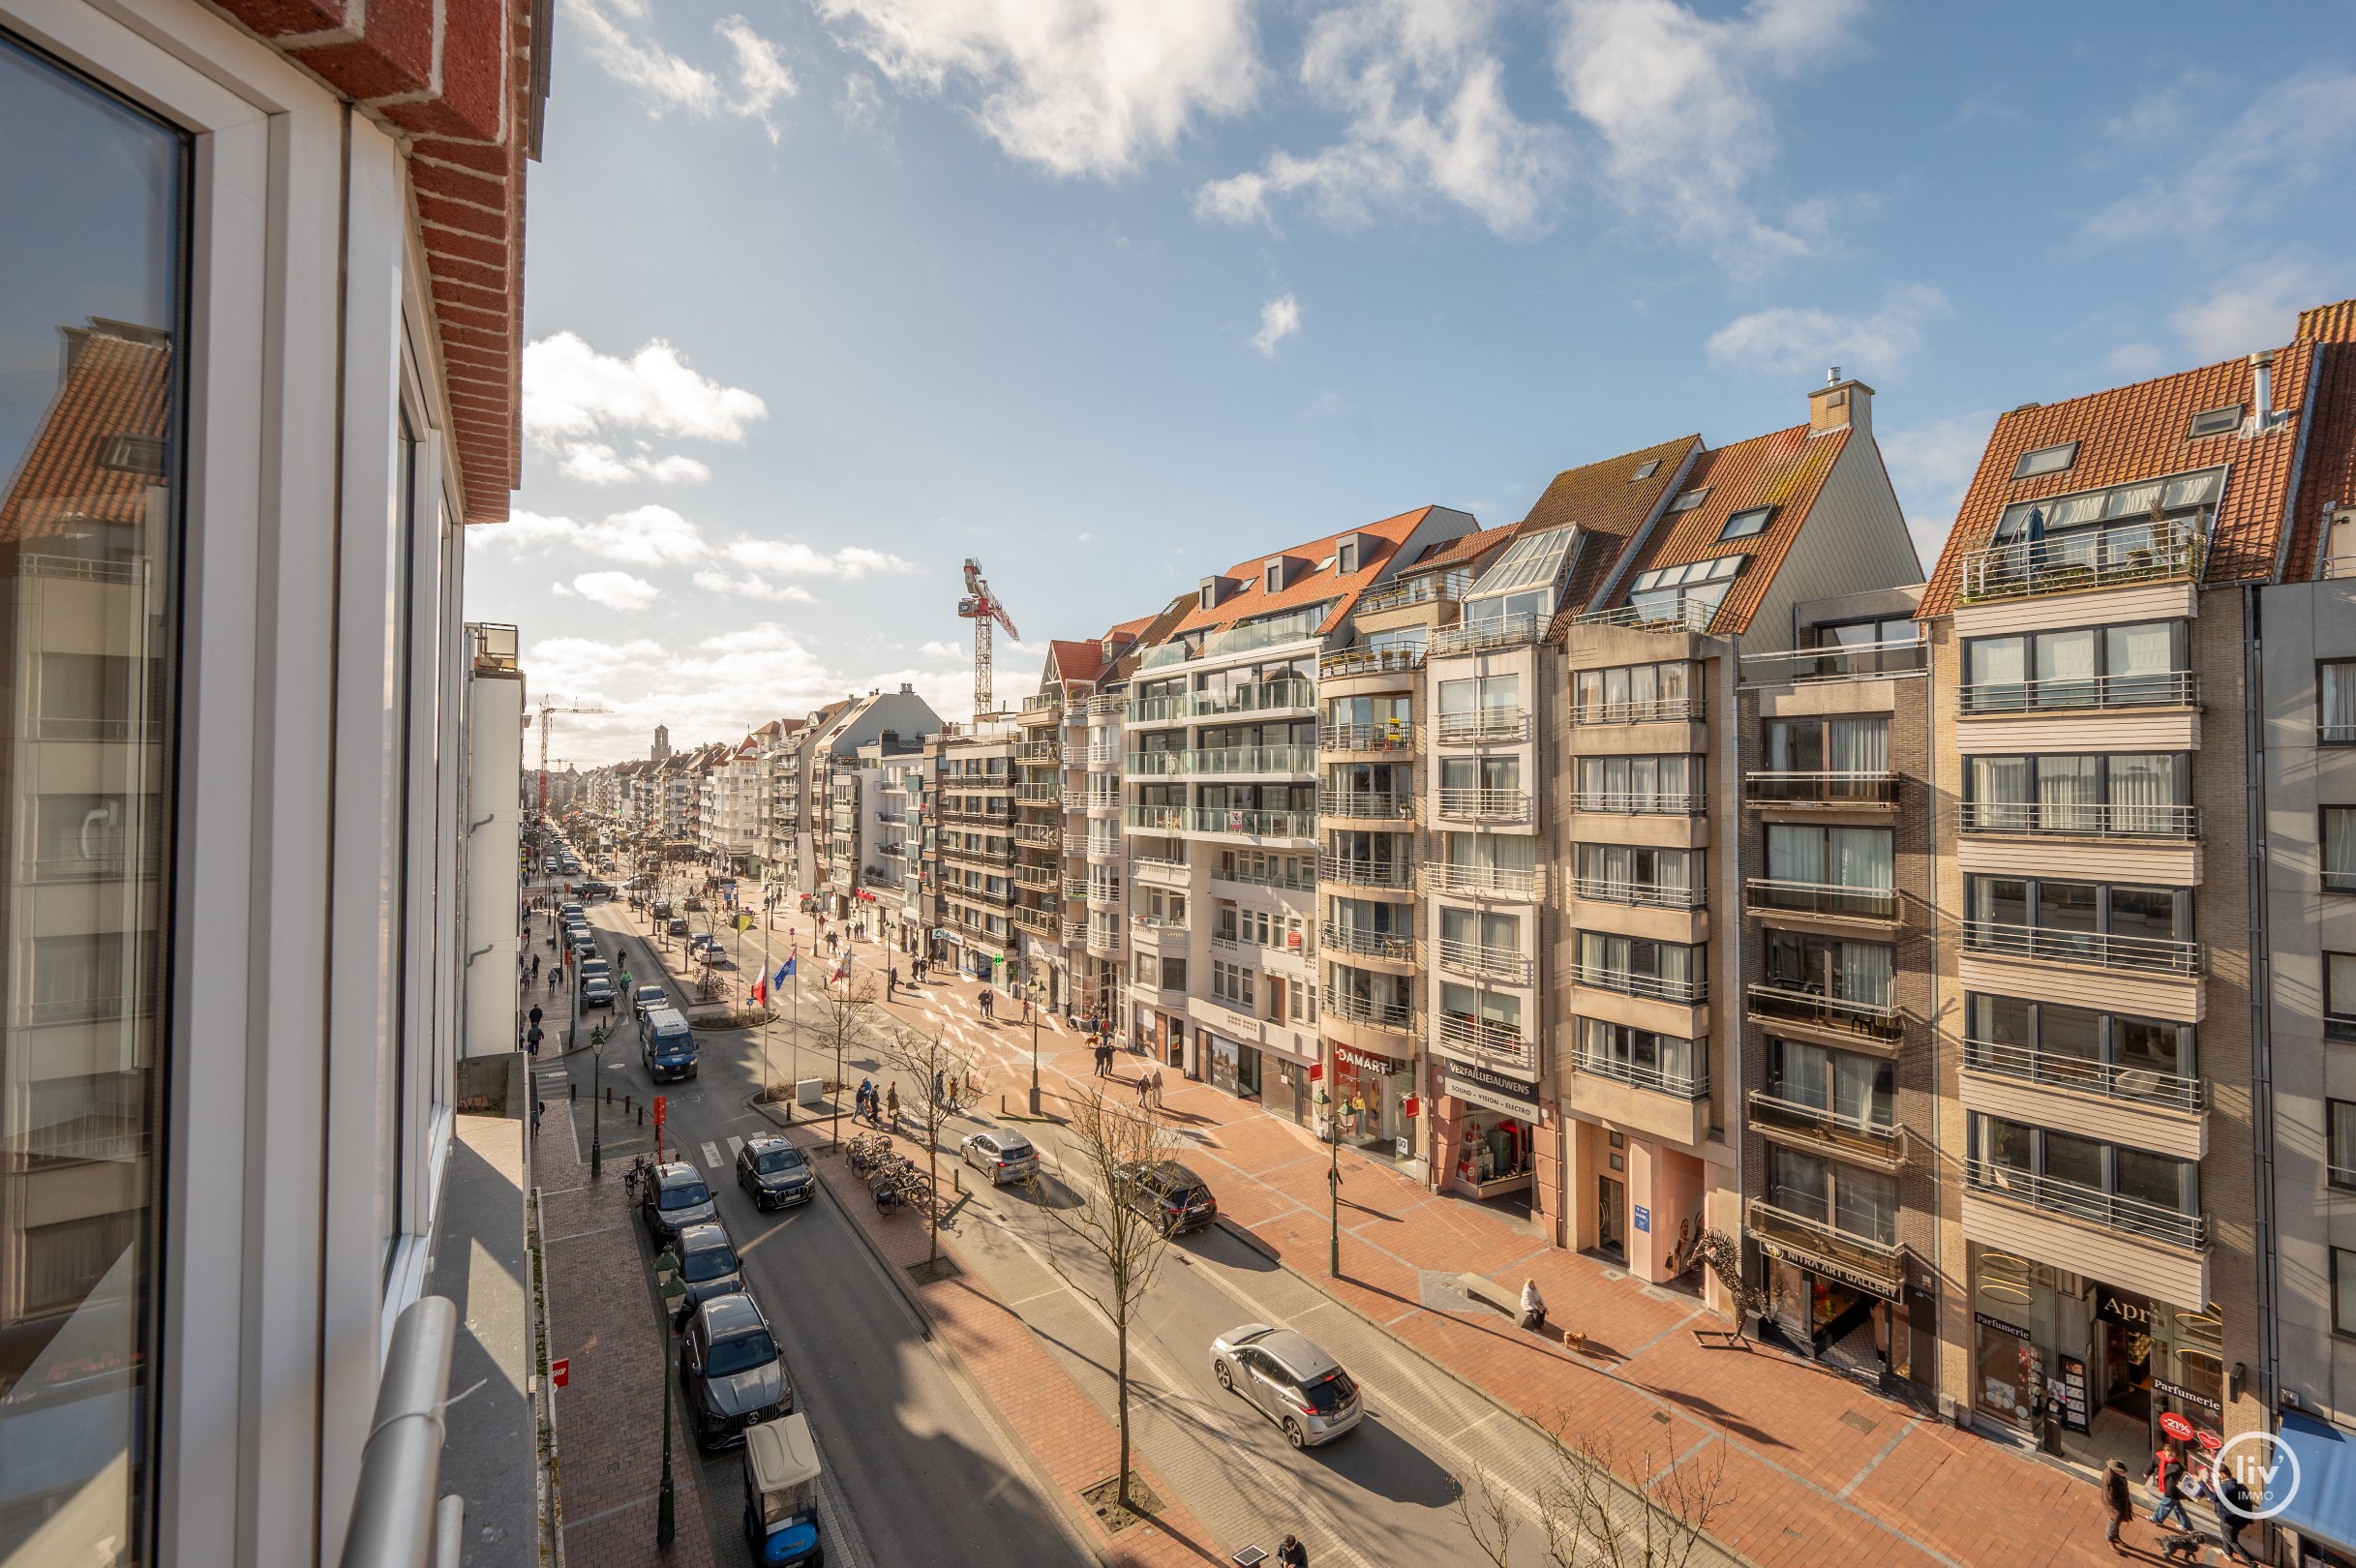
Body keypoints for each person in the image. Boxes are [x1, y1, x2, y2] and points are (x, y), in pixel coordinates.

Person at [2215, 1463, 2258, 1563]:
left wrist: (2201, 1483)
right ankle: (2227, 1553)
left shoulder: (2225, 1487)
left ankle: (2252, 1563)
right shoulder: (2240, 1485)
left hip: (2230, 1520)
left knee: (2232, 1541)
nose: (2217, 1476)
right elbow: (2247, 1502)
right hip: (2239, 1520)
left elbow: (2214, 1498)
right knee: (2227, 1535)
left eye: (2218, 1474)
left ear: (2223, 1474)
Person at [2147, 1441, 2193, 1532]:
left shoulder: (2178, 1467)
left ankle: (2157, 1519)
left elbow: (2180, 1480)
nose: (2171, 1455)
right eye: (2169, 1453)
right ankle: (2187, 1526)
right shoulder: (2162, 1460)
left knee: (2164, 1505)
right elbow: (2153, 1464)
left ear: (2175, 1454)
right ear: (2164, 1453)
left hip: (2172, 1491)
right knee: (2178, 1509)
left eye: (2173, 1453)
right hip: (2170, 1490)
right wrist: (2147, 1472)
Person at [2100, 1458, 2132, 1553]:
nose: (2124, 1473)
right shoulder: (2109, 1479)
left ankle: (2115, 1536)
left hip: (2120, 1501)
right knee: (2114, 1520)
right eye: (2122, 1471)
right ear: (2116, 1470)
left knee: (2118, 1520)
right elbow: (2109, 1497)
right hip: (2114, 1505)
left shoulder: (2116, 1475)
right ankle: (2109, 1538)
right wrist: (2117, 1509)